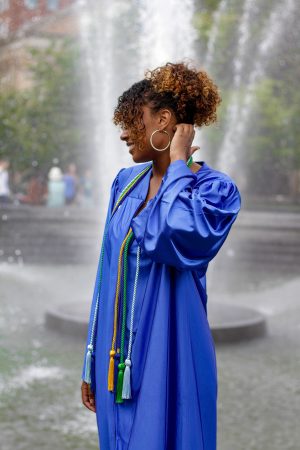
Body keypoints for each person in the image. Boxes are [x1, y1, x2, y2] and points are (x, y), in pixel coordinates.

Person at [81, 62, 241, 450]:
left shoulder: (215, 191)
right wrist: (91, 357)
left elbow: (171, 233)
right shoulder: (124, 182)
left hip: (172, 350)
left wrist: (178, 164)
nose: (122, 133)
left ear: (164, 121)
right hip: (115, 356)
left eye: (133, 120)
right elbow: (106, 272)